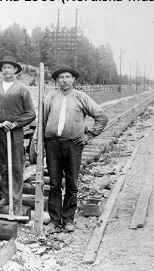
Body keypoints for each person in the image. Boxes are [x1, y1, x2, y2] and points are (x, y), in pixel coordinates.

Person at [39, 66, 108, 234]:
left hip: (73, 145)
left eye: (67, 77)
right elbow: (42, 121)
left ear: (73, 79)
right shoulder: (50, 97)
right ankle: (54, 220)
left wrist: (89, 135)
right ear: (57, 80)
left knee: (71, 183)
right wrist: (39, 143)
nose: (64, 80)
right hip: (52, 144)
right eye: (61, 77)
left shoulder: (81, 97)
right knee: (54, 183)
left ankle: (68, 219)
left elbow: (101, 117)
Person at [0, 56, 36, 213]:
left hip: (15, 132)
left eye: (9, 68)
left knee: (16, 165)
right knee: (1, 164)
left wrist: (16, 123)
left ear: (15, 70)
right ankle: (5, 197)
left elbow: (30, 113)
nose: (6, 70)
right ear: (1, 70)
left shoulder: (22, 89)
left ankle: (16, 200)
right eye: (4, 68)